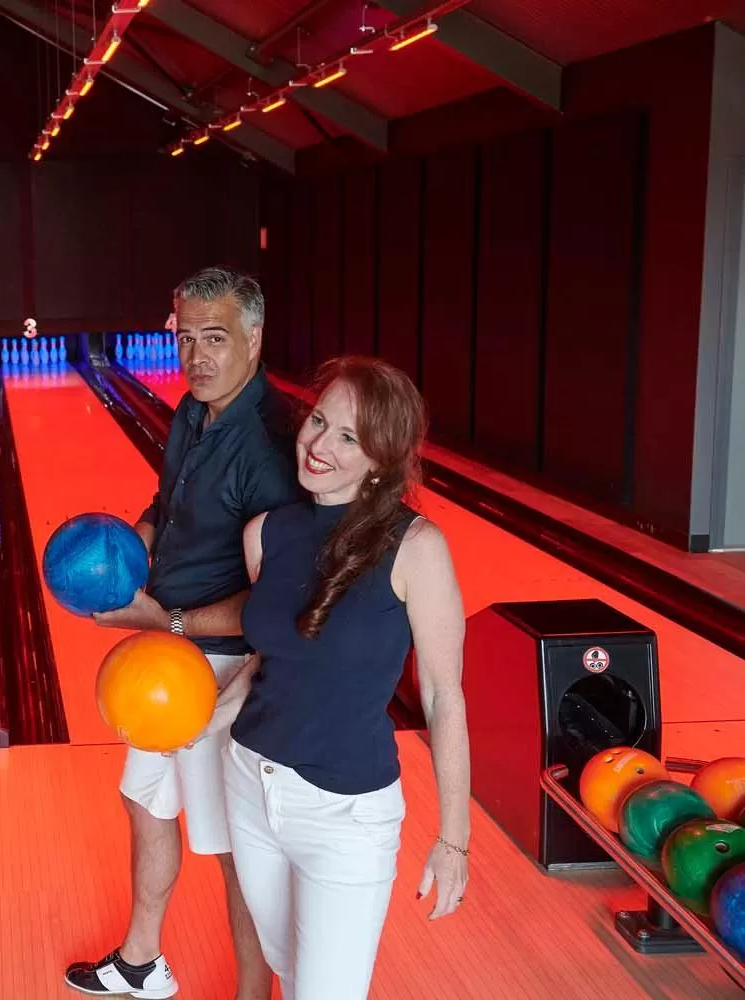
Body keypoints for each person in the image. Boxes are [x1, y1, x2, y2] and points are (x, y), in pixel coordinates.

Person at [65, 267, 297, 1000]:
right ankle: (140, 962)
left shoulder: (267, 448)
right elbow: (170, 502)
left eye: (216, 338)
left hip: (221, 671)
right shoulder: (194, 412)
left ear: (254, 338)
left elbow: (275, 603)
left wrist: (157, 617)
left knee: (235, 851)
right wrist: (134, 542)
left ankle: (255, 993)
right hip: (164, 662)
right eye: (187, 338)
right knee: (145, 800)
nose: (196, 357)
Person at [221, 356, 471, 1000]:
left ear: (382, 461)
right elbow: (278, 659)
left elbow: (444, 697)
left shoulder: (417, 547)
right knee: (287, 963)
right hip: (250, 784)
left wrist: (454, 841)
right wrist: (201, 722)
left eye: (349, 438)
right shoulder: (265, 535)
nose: (318, 444)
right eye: (319, 421)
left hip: (345, 814)